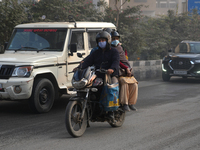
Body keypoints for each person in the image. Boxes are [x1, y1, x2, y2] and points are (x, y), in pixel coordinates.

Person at [111, 30, 138, 111]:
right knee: (124, 83)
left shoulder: (121, 47)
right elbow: (117, 61)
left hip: (126, 69)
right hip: (118, 70)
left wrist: (128, 68)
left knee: (134, 84)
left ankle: (131, 103)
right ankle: (124, 103)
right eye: (113, 38)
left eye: (116, 38)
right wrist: (126, 68)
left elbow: (125, 59)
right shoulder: (111, 49)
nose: (115, 40)